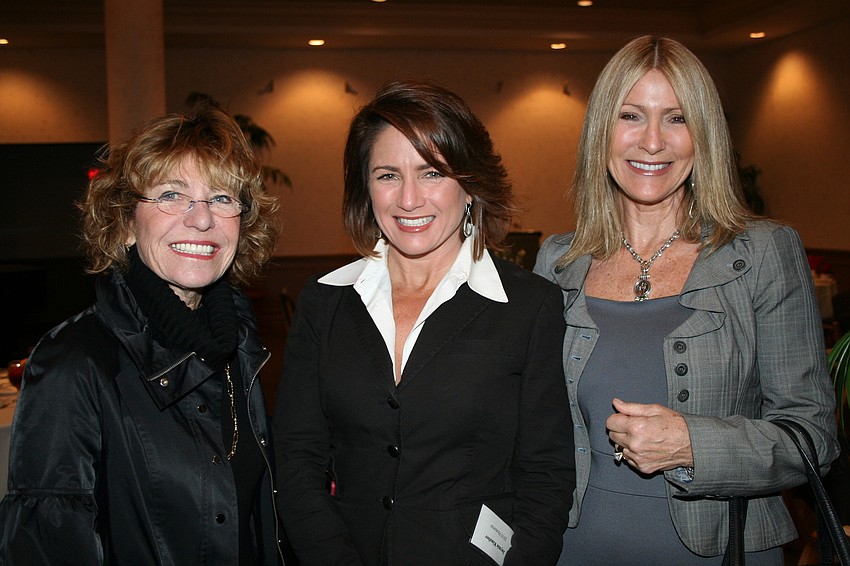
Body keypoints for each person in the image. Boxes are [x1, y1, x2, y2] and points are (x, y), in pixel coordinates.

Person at [533, 35, 840, 565]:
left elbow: (812, 438)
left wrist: (692, 445)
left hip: (722, 551)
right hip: (573, 547)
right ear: (601, 131)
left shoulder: (763, 254)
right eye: (631, 115)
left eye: (677, 119)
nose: (652, 141)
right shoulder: (558, 261)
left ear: (705, 137)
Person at [273, 79, 575, 565]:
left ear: (471, 185)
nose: (409, 199)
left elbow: (546, 476)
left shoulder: (528, 307)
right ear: (364, 187)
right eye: (388, 174)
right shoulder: (325, 302)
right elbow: (295, 458)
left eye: (432, 172)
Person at [0, 105, 284, 564]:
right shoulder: (74, 362)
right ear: (127, 222)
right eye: (172, 195)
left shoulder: (241, 347)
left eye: (222, 198)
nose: (202, 219)